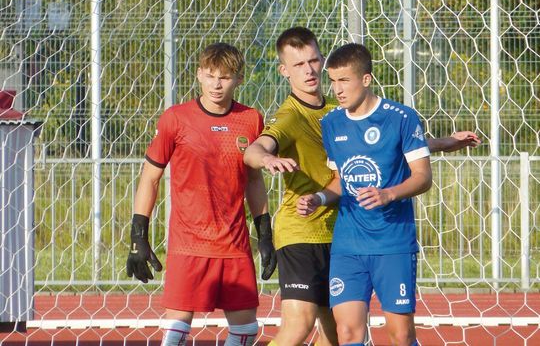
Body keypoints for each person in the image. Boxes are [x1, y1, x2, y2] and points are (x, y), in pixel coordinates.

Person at [243, 27, 480, 346]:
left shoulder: (338, 112)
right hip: (304, 230)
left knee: (337, 335)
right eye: (299, 65)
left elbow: (387, 147)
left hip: (341, 230)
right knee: (300, 324)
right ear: (284, 71)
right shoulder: (291, 117)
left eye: (313, 60)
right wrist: (265, 159)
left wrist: (439, 143)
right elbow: (256, 149)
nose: (310, 70)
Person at [126, 42, 277, 346]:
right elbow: (150, 178)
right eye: (210, 75)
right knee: (174, 336)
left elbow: (254, 181)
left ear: (239, 79)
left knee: (246, 330)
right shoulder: (176, 119)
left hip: (234, 245)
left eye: (225, 76)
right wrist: (137, 236)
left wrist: (265, 233)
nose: (217, 84)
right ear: (198, 75)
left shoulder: (251, 119)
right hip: (188, 245)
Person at [314, 42, 430, 346]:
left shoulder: (401, 118)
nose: (337, 89)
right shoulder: (330, 123)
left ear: (366, 79)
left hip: (392, 243)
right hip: (348, 245)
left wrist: (389, 194)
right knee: (348, 332)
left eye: (344, 80)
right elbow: (341, 180)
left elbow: (423, 177)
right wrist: (319, 198)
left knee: (400, 335)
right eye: (333, 81)